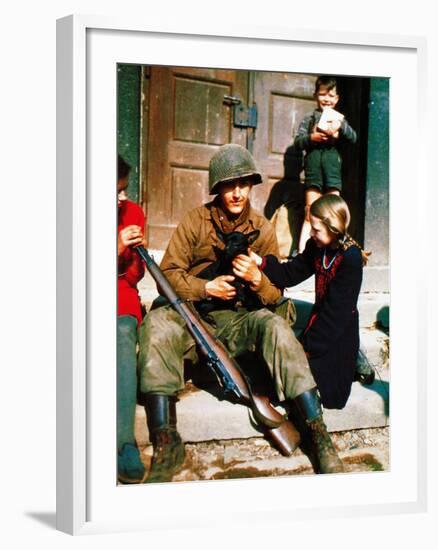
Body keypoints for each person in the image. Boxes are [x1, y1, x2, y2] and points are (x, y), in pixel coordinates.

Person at [137, 143, 343, 483]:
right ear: (217, 188)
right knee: (158, 323)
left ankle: (317, 431)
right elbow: (167, 276)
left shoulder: (262, 229)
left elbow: (275, 294)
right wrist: (206, 288)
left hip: (239, 320)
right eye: (230, 185)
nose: (237, 193)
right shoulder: (195, 221)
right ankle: (165, 439)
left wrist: (258, 278)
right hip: (193, 317)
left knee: (276, 326)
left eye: (244, 184)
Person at [247, 194, 368, 409]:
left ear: (334, 228)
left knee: (324, 390)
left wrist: (307, 348)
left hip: (338, 332)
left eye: (316, 229)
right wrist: (261, 262)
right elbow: (290, 273)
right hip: (319, 322)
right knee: (285, 376)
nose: (311, 234)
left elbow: (336, 314)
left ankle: (355, 360)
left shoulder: (351, 258)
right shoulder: (316, 246)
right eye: (311, 228)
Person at [295, 76, 357, 252]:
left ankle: (335, 252)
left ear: (337, 99)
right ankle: (303, 254)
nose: (326, 99)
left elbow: (353, 138)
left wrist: (341, 127)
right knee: (310, 212)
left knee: (333, 213)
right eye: (322, 94)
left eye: (331, 96)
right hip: (313, 171)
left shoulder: (340, 119)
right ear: (315, 95)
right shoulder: (309, 119)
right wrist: (311, 138)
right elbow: (298, 142)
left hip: (332, 173)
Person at [117, 155, 146, 483]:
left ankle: (124, 442)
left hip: (118, 293)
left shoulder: (133, 213)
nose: (122, 198)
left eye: (124, 190)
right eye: (116, 192)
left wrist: (131, 256)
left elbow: (133, 277)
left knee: (123, 329)